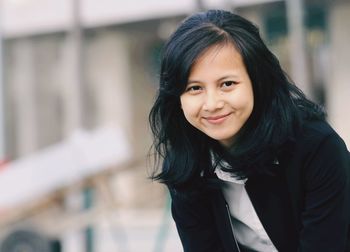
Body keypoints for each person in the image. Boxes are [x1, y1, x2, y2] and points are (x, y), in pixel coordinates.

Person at [149, 9, 350, 252]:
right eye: (194, 88)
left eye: (227, 84)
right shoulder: (185, 165)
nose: (212, 104)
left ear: (258, 81)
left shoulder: (316, 147)